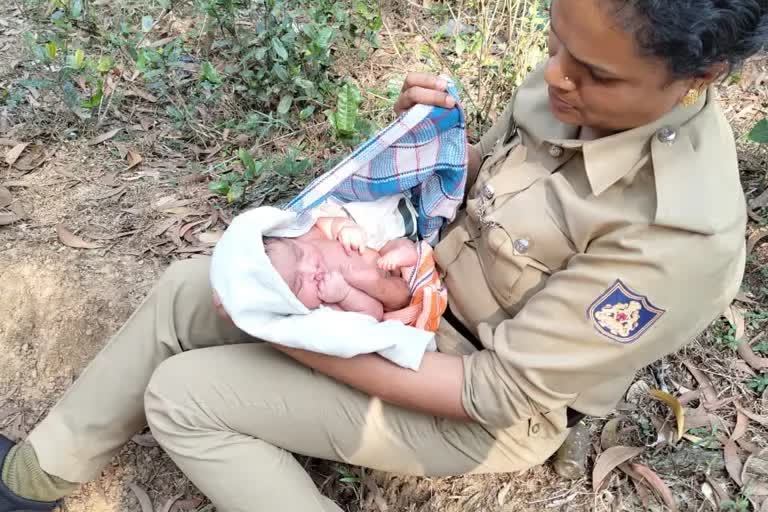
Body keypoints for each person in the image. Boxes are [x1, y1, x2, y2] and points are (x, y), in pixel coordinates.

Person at [1, 0, 765, 510]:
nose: (557, 75)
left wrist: (292, 333)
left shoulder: (679, 236)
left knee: (184, 398)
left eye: (594, 73)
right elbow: (495, 195)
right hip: (416, 293)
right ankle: (34, 477)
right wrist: (426, 146)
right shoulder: (580, 69)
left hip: (476, 397)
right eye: (557, 38)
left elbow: (494, 393)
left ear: (701, 76)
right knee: (182, 290)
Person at [263, 215, 419, 320]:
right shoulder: (327, 302)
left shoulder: (307, 238)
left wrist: (346, 228)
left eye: (299, 255)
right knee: (399, 297)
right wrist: (346, 295)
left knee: (394, 244)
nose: (310, 269)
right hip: (385, 286)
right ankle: (381, 282)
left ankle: (405, 251)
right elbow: (373, 314)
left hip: (378, 248)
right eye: (299, 283)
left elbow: (328, 223)